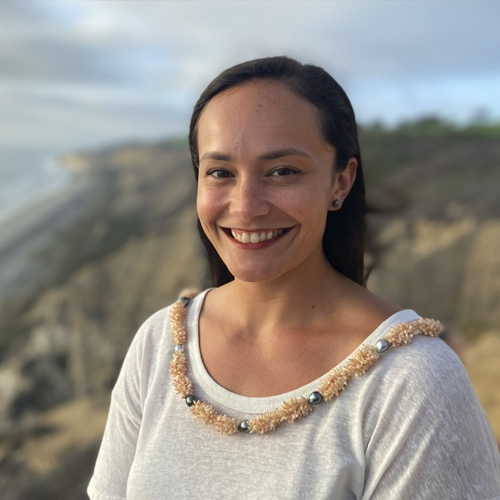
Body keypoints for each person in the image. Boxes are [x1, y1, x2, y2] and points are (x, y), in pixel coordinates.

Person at [88, 56, 500, 499]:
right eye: (220, 172)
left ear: (340, 182)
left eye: (283, 171)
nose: (246, 206)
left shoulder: (411, 383)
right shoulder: (161, 346)